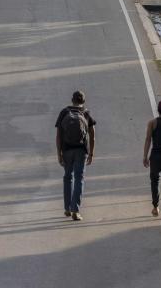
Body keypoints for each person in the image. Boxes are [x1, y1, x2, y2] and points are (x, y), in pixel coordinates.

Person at [55, 90, 96, 221]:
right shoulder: (86, 113)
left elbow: (58, 135)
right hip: (81, 150)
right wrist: (91, 153)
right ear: (83, 101)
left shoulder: (64, 112)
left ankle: (67, 208)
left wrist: (59, 153)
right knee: (79, 178)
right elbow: (92, 135)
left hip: (66, 149)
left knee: (68, 177)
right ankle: (75, 210)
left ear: (72, 99)